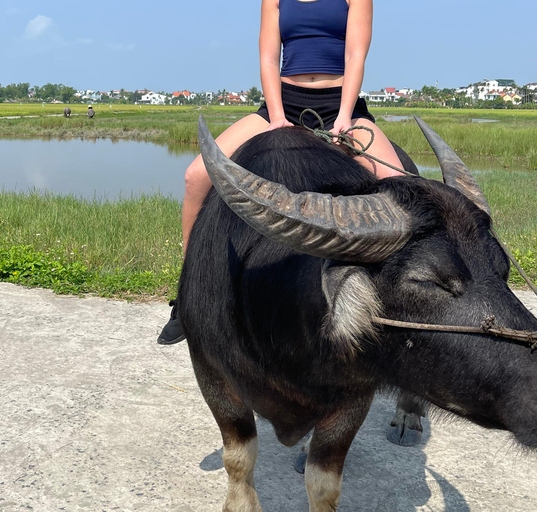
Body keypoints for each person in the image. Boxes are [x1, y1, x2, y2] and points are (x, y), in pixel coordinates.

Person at [157, 0, 405, 344]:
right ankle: (188, 294)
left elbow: (355, 57)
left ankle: (403, 304)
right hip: (283, 102)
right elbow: (269, 59)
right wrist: (276, 117)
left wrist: (345, 118)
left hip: (339, 104)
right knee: (196, 176)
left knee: (402, 187)